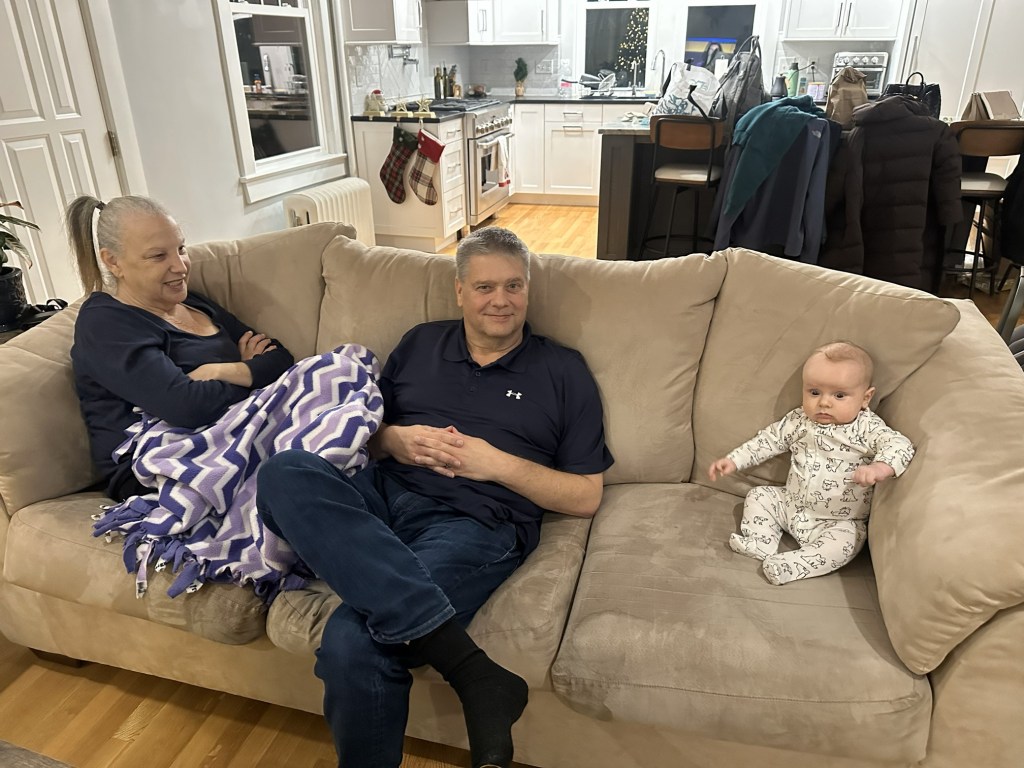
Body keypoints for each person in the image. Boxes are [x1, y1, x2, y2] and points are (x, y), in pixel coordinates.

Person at [255, 227, 614, 768]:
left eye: (514, 286)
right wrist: (393, 440)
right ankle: (474, 672)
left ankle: (461, 674)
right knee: (284, 471)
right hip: (382, 496)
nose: (501, 300)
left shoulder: (563, 370)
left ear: (528, 290)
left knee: (355, 639)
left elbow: (586, 496)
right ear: (460, 291)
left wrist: (496, 463)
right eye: (486, 287)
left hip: (474, 523)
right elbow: (369, 434)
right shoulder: (421, 343)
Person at [67, 195, 294, 502]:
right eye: (158, 256)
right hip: (157, 466)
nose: (180, 266)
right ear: (113, 262)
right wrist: (251, 375)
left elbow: (280, 357)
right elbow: (186, 407)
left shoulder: (191, 301)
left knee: (340, 367)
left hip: (234, 433)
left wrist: (222, 371)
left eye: (181, 249)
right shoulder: (106, 323)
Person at [708, 341, 914, 586]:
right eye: (814, 392)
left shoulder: (866, 428)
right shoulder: (798, 421)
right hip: (791, 505)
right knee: (760, 495)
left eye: (839, 395)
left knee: (844, 544)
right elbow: (768, 440)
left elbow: (900, 445)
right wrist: (734, 460)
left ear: (865, 398)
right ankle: (760, 543)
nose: (824, 403)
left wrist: (879, 468)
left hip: (838, 520)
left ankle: (792, 565)